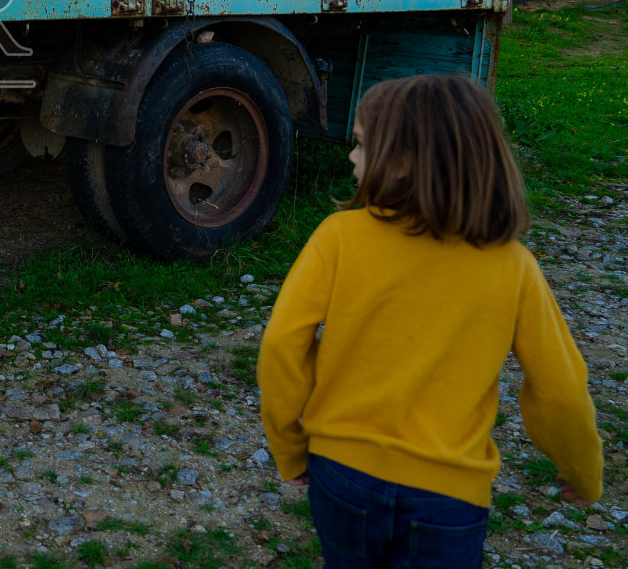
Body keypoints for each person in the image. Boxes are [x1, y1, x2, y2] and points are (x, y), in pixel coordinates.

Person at [258, 73, 602, 568]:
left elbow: (282, 345)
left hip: (342, 474)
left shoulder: (338, 237)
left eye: (359, 144)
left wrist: (289, 447)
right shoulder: (514, 266)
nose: (351, 156)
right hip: (448, 497)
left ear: (401, 162)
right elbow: (560, 388)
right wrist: (583, 468)